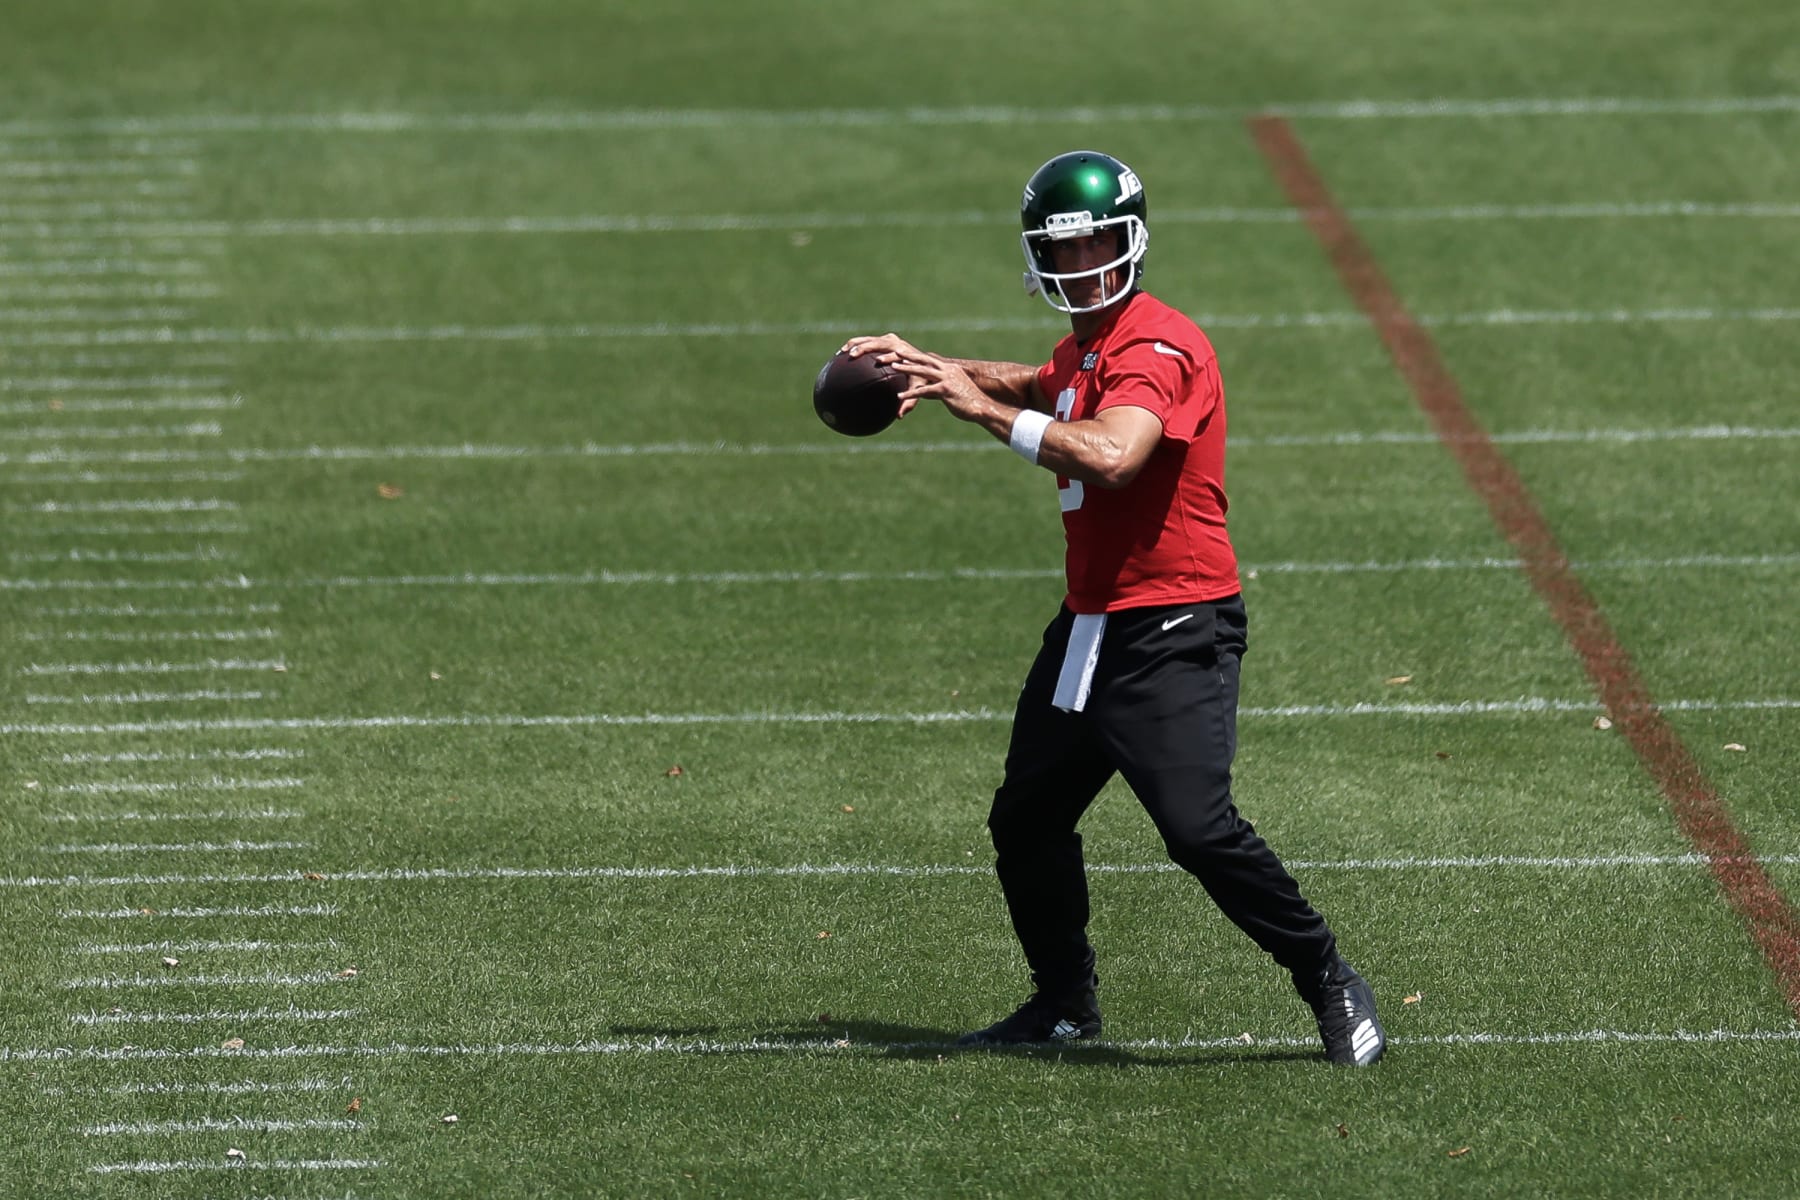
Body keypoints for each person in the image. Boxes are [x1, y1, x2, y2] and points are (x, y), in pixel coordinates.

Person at [843, 150, 1385, 1066]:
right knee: (1026, 817)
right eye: (1064, 248)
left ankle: (1328, 975)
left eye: (1095, 241)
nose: (1081, 262)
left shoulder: (1160, 343)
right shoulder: (1090, 346)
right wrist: (935, 368)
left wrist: (976, 408)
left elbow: (1112, 452)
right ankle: (1063, 1003)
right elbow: (1046, 384)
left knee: (1198, 830)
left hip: (1174, 625)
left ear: (1129, 240)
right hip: (1092, 625)